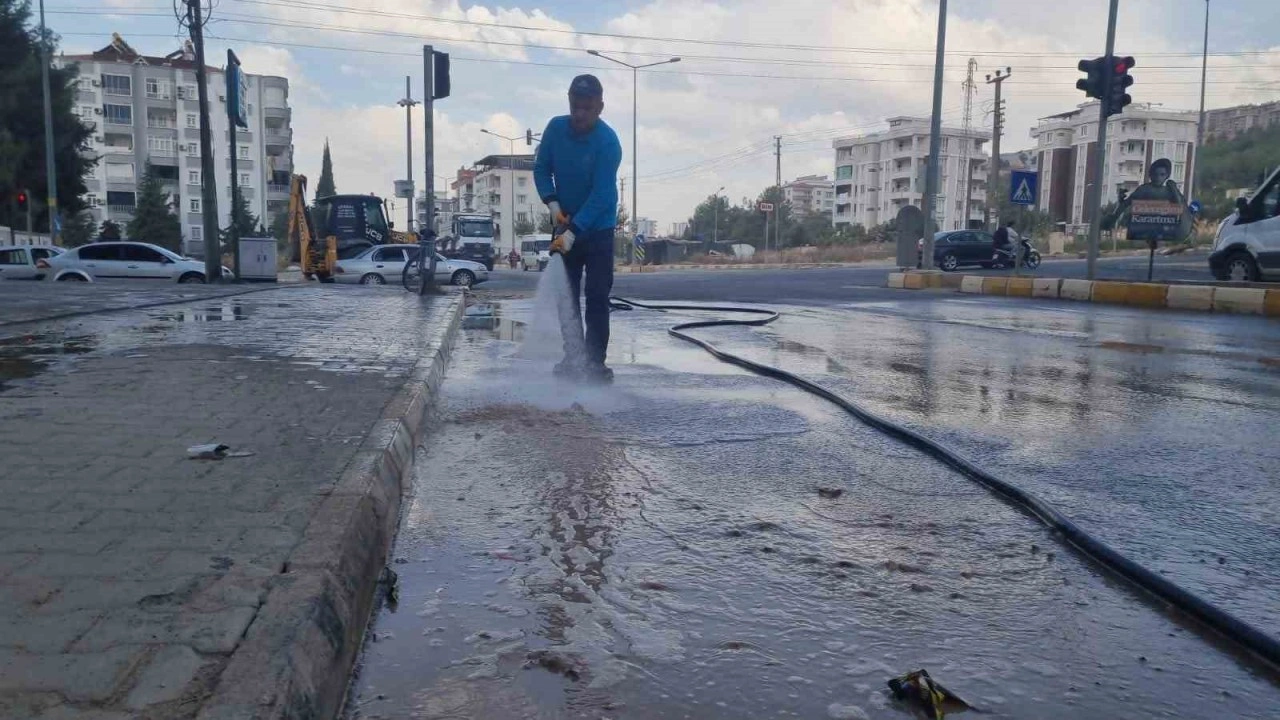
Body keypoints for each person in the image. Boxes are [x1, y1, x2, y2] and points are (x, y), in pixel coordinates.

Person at [534, 74, 623, 383]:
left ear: (600, 107)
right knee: (566, 295)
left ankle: (595, 363)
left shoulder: (608, 143)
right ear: (568, 100)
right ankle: (572, 357)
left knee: (597, 295)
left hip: (598, 228)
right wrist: (554, 205)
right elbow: (542, 169)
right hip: (564, 221)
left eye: (587, 108)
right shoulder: (556, 129)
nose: (580, 114)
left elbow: (603, 195)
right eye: (575, 106)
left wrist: (574, 230)